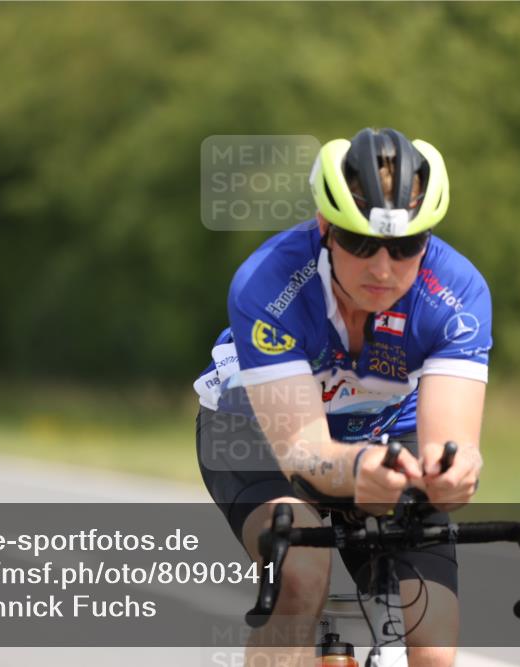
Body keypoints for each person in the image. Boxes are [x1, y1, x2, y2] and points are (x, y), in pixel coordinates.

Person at [194, 128, 491, 667]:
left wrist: (454, 472)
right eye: (360, 243)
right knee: (301, 574)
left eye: (404, 247)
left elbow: (453, 443)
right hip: (256, 432)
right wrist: (361, 470)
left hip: (384, 430)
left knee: (436, 644)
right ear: (326, 227)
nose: (382, 268)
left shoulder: (457, 293)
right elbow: (304, 452)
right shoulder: (269, 282)